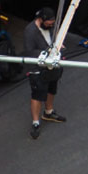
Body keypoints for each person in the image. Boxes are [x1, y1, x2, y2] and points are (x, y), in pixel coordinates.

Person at [22, 7, 66, 140]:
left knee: (52, 88)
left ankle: (48, 112)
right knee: (37, 94)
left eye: (52, 23)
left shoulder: (51, 28)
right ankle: (35, 122)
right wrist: (49, 52)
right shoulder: (30, 31)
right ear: (41, 20)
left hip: (52, 65)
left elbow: (54, 39)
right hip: (38, 67)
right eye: (49, 23)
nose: (51, 25)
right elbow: (30, 51)